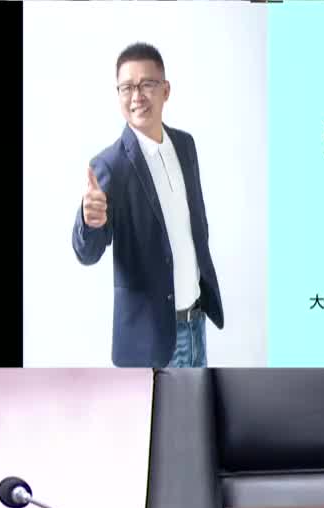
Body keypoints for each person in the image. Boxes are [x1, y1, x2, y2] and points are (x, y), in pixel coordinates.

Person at [71, 42, 224, 368]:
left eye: (147, 85)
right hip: (152, 338)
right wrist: (89, 221)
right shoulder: (111, 166)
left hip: (196, 323)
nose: (137, 96)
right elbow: (88, 253)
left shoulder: (185, 145)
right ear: (118, 95)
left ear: (165, 90)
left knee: (197, 401)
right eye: (127, 87)